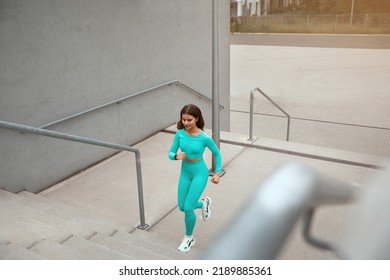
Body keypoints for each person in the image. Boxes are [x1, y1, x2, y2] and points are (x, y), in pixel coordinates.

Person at [168, 104, 222, 253]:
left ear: (197, 118)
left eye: (189, 120)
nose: (186, 123)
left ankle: (189, 238)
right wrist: (176, 156)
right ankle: (204, 203)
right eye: (183, 119)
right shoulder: (179, 134)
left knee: (188, 207)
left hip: (200, 173)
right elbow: (170, 152)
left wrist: (217, 173)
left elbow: (217, 154)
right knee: (182, 206)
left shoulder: (204, 138)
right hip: (185, 172)